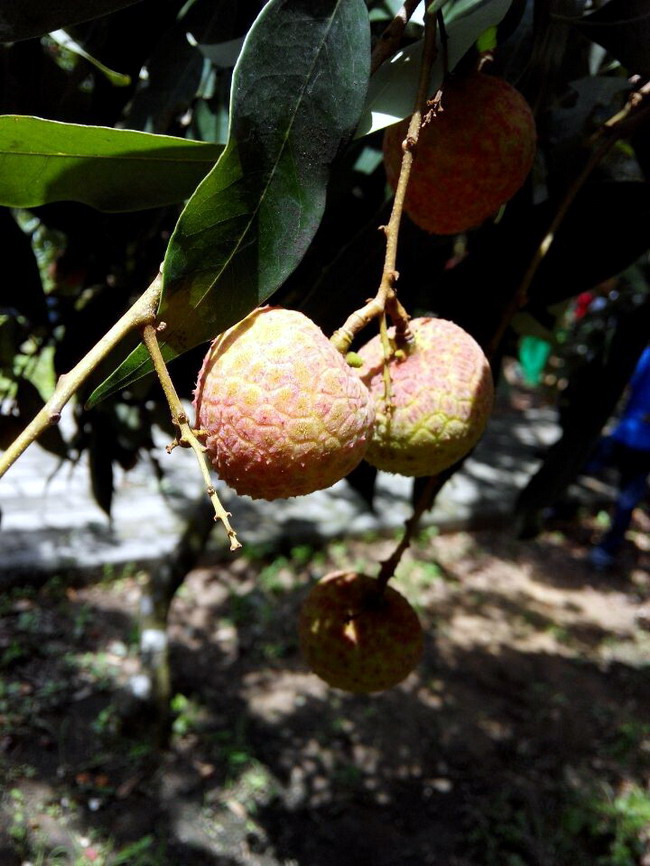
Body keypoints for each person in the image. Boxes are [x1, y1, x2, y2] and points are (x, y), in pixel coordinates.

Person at [588, 344, 650, 570]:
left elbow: (629, 380)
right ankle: (605, 550)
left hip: (633, 438)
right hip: (629, 435)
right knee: (626, 497)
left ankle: (606, 551)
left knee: (626, 496)